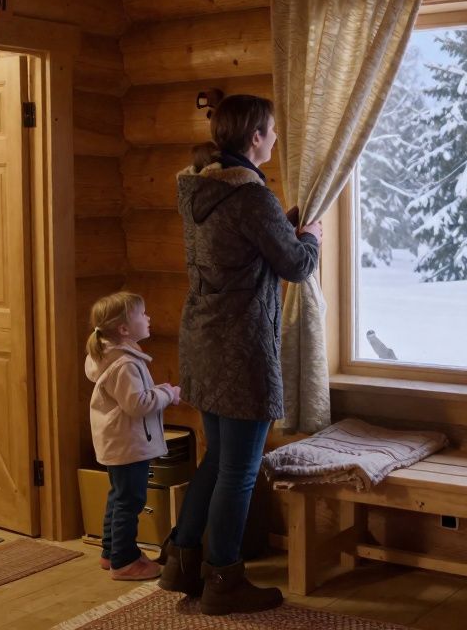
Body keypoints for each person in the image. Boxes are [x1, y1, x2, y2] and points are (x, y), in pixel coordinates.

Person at [158, 94, 321, 615]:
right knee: (240, 471)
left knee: (218, 459)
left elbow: (246, 246)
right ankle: (224, 580)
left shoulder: (200, 188)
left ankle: (182, 562)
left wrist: (283, 223)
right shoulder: (251, 197)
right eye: (272, 131)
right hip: (241, 348)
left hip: (202, 339)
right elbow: (294, 264)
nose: (274, 138)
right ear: (255, 137)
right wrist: (311, 238)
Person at [85, 291, 181, 581]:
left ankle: (111, 551)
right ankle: (124, 562)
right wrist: (167, 393)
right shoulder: (124, 364)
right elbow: (137, 405)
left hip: (118, 442)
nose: (148, 318)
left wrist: (156, 391)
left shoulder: (112, 355)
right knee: (131, 501)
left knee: (119, 497)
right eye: (142, 314)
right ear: (124, 329)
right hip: (128, 443)